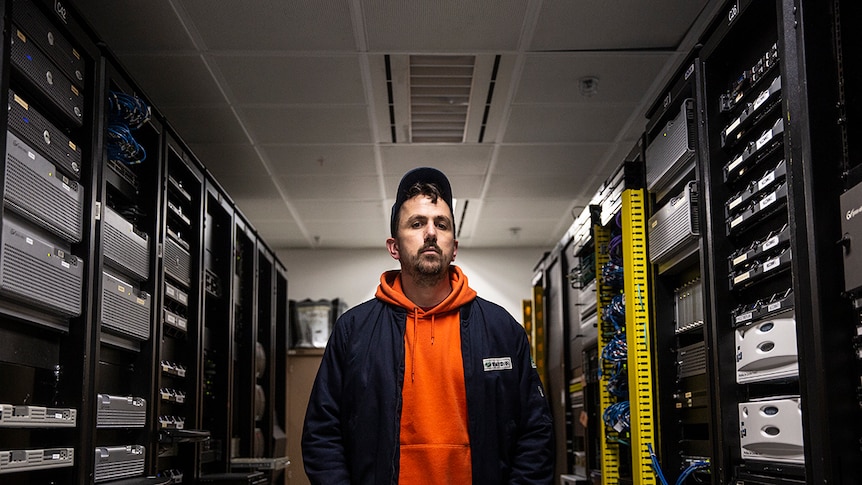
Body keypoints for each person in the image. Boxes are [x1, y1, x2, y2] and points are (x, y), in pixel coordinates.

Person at [301, 167, 555, 484]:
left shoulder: (501, 329)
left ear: (454, 246)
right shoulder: (354, 331)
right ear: (394, 247)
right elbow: (322, 433)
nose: (431, 232)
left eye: (441, 224)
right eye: (417, 223)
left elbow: (536, 434)